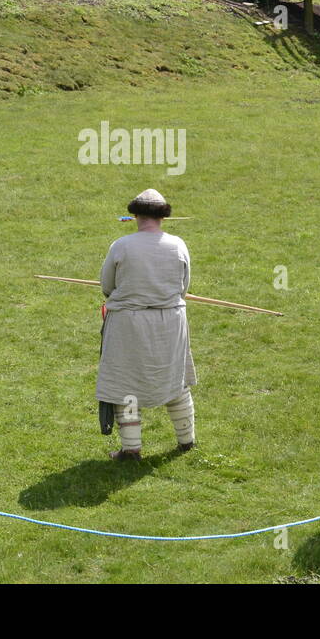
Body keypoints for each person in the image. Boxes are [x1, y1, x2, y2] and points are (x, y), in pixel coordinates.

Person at [97, 188, 196, 460]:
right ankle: (186, 441)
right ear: (162, 216)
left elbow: (107, 286)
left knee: (126, 384)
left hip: (130, 324)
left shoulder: (121, 246)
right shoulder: (178, 245)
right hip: (170, 323)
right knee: (175, 379)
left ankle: (131, 450)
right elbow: (183, 288)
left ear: (136, 215)